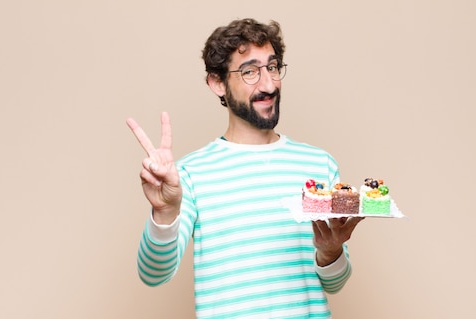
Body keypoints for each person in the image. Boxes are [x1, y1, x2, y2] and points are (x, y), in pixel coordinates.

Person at [126, 18, 363, 318]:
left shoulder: (318, 164)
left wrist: (331, 253)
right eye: (250, 71)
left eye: (273, 67)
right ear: (217, 83)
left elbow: (335, 283)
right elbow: (153, 274)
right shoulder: (190, 175)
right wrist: (164, 213)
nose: (268, 84)